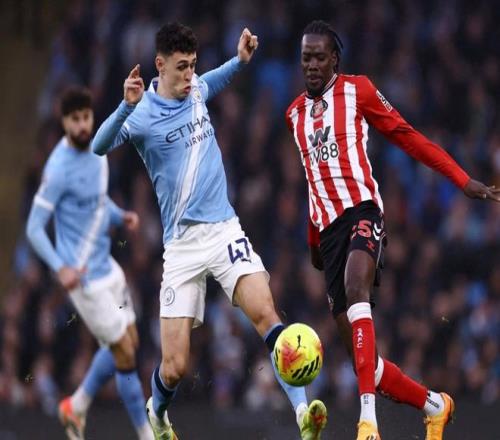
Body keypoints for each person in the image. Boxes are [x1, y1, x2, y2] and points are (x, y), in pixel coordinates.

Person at [92, 22, 328, 440]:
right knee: (175, 367)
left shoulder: (196, 88)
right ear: (160, 65)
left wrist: (239, 61)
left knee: (267, 314)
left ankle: (301, 415)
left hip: (224, 231)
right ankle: (157, 414)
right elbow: (98, 145)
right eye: (181, 67)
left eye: (193, 65)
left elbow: (211, 81)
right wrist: (125, 107)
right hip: (181, 248)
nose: (190, 76)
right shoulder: (142, 113)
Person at [285, 20, 500, 440]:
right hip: (328, 233)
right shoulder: (293, 115)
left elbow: (407, 136)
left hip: (363, 212)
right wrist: (314, 241)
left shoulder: (358, 90)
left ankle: (368, 422)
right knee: (366, 364)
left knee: (357, 289)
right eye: (305, 57)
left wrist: (462, 180)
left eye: (319, 57)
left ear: (335, 60)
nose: (311, 65)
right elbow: (313, 181)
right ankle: (436, 405)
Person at [26, 87, 153, 440]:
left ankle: (76, 405)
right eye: (75, 120)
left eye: (86, 118)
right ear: (64, 122)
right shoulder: (58, 169)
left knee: (130, 341)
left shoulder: (98, 150)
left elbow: (95, 200)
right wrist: (60, 267)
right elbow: (34, 228)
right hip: (83, 278)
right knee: (124, 352)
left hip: (107, 265)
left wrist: (119, 215)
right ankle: (146, 434)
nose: (82, 125)